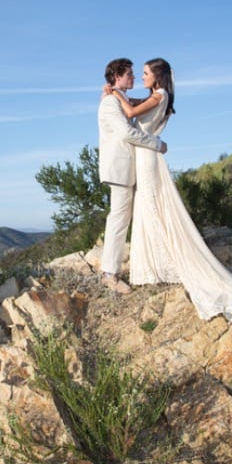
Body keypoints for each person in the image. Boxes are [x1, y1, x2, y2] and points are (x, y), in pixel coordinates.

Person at [107, 57, 232, 321]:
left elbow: (131, 113)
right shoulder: (154, 95)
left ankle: (161, 263)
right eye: (139, 73)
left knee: (153, 206)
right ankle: (151, 265)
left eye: (145, 73)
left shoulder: (161, 94)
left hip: (148, 155)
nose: (142, 77)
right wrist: (118, 94)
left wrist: (116, 94)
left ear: (158, 76)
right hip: (143, 155)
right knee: (148, 206)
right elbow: (132, 106)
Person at [97, 57, 168, 294]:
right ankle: (109, 273)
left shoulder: (120, 99)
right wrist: (157, 144)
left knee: (122, 217)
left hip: (127, 167)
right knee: (118, 218)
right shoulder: (110, 102)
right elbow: (127, 133)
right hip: (119, 168)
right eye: (129, 74)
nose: (134, 77)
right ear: (117, 76)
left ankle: (118, 268)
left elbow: (142, 105)